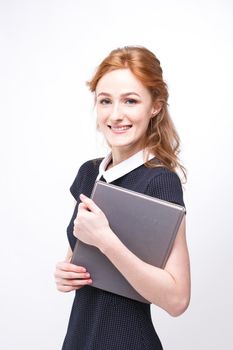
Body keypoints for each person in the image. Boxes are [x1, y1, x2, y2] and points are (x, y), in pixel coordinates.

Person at [55, 46, 191, 350]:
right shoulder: (89, 173)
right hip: (80, 337)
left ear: (154, 106)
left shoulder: (160, 181)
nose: (115, 115)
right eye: (105, 101)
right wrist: (66, 273)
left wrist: (107, 240)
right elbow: (78, 259)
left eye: (130, 100)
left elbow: (178, 299)